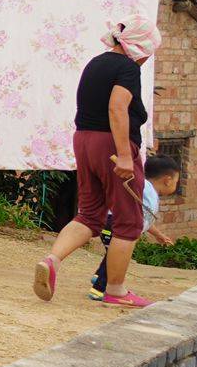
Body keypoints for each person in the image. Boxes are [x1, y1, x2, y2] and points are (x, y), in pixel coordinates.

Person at [33, 20, 160, 309]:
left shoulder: (95, 63)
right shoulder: (127, 68)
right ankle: (115, 289)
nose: (147, 58)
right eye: (148, 52)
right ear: (138, 47)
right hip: (112, 146)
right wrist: (126, 155)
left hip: (84, 140)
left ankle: (51, 260)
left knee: (90, 215)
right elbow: (117, 107)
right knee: (129, 221)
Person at [93, 153, 180, 300]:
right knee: (118, 256)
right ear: (168, 180)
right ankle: (98, 289)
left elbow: (143, 219)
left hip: (111, 221)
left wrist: (158, 235)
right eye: (177, 181)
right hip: (113, 222)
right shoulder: (145, 190)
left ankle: (98, 277)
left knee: (113, 253)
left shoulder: (146, 190)